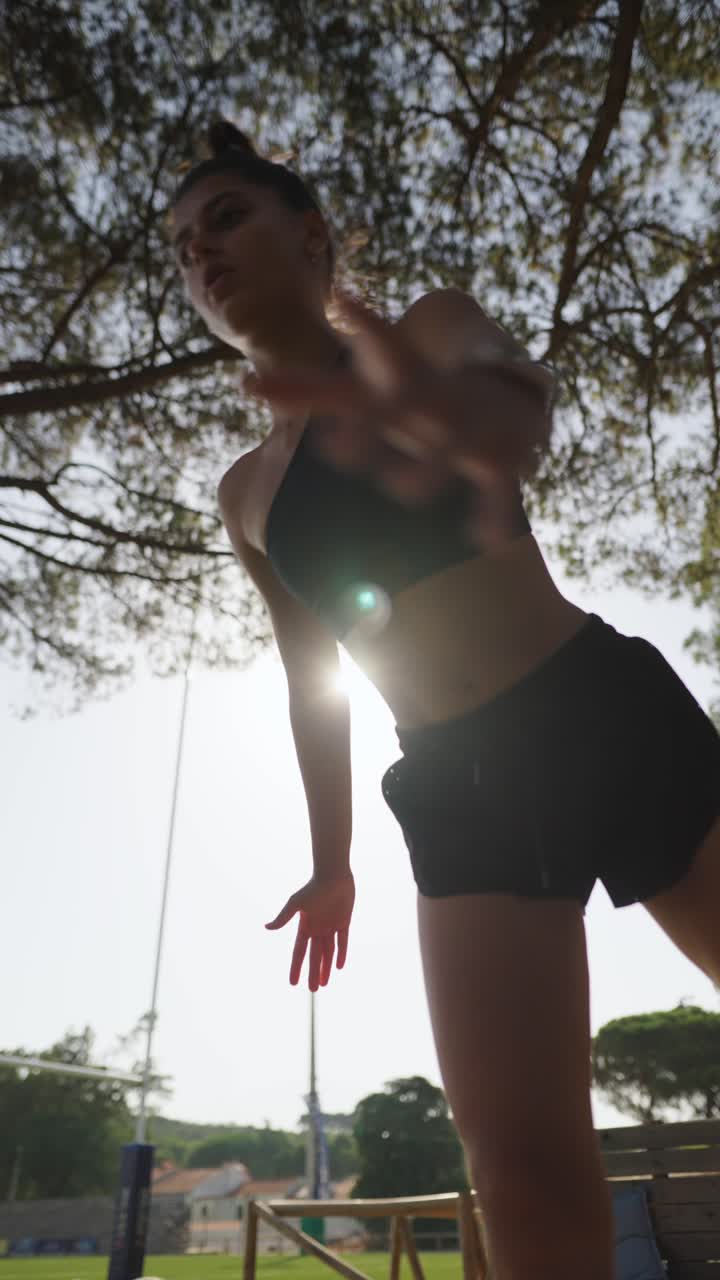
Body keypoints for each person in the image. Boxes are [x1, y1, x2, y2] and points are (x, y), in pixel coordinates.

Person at [170, 119, 720, 1280]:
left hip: (598, 708)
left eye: (228, 217)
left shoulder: (421, 328)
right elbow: (307, 677)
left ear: (312, 237)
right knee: (515, 1162)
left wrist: (482, 419)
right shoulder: (245, 494)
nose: (202, 252)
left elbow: (511, 400)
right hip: (461, 789)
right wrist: (333, 857)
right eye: (180, 246)